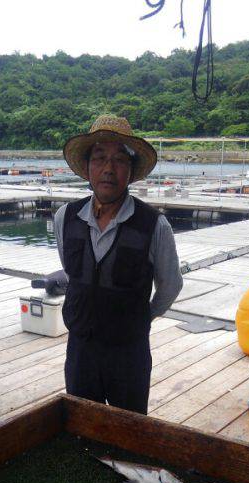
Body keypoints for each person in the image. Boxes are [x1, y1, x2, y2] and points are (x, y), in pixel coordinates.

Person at [54, 115, 182, 415]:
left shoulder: (154, 225)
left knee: (130, 430)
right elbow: (72, 272)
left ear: (131, 169)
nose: (108, 169)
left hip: (129, 353)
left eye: (119, 159)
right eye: (99, 158)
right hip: (80, 348)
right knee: (82, 425)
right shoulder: (65, 217)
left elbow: (171, 286)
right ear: (87, 168)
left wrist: (142, 317)